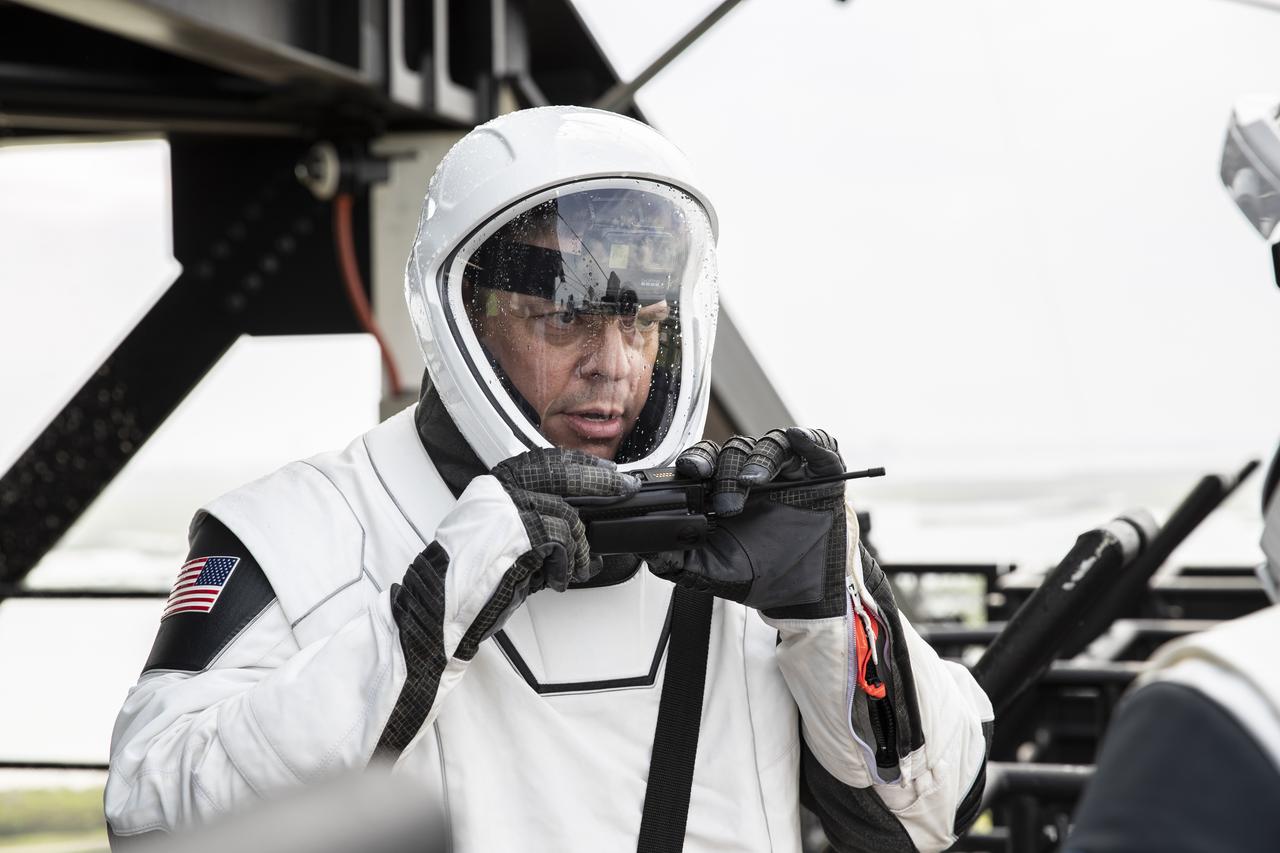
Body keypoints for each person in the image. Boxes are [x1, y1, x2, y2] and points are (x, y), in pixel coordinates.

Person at [104, 106, 992, 852]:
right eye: (563, 317)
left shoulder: (737, 543)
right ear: (466, 319)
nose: (614, 366)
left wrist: (836, 608)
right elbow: (151, 815)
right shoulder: (298, 532)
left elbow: (935, 808)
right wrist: (422, 624)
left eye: (642, 324)